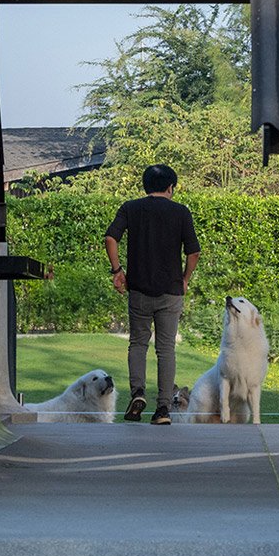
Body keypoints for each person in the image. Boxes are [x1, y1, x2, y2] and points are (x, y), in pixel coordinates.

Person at [104, 164, 200, 423]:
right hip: (171, 291)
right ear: (171, 187)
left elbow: (110, 239)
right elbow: (194, 253)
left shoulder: (130, 208)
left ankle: (137, 392)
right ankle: (163, 409)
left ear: (146, 186)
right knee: (166, 349)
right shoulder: (181, 212)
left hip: (139, 290)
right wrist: (185, 279)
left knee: (138, 343)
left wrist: (117, 271)